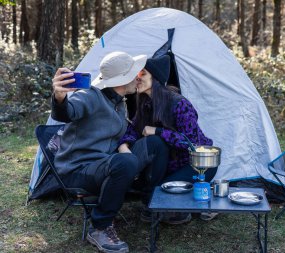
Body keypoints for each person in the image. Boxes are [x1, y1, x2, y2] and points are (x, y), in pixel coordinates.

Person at [51, 51, 147, 253]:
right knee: (126, 163)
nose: (138, 76)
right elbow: (68, 112)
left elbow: (117, 134)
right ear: (122, 79)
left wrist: (128, 145)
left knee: (153, 144)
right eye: (134, 73)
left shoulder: (119, 103)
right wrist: (59, 97)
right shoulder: (90, 95)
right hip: (77, 170)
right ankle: (100, 227)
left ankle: (152, 205)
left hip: (102, 165)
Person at [118, 55, 217, 224]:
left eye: (142, 73)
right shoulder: (144, 102)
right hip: (168, 164)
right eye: (136, 74)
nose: (137, 78)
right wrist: (124, 146)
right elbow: (133, 130)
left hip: (195, 164)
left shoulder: (179, 104)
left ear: (155, 78)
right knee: (156, 190)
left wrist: (158, 131)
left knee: (163, 192)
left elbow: (192, 144)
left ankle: (208, 197)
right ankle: (162, 204)